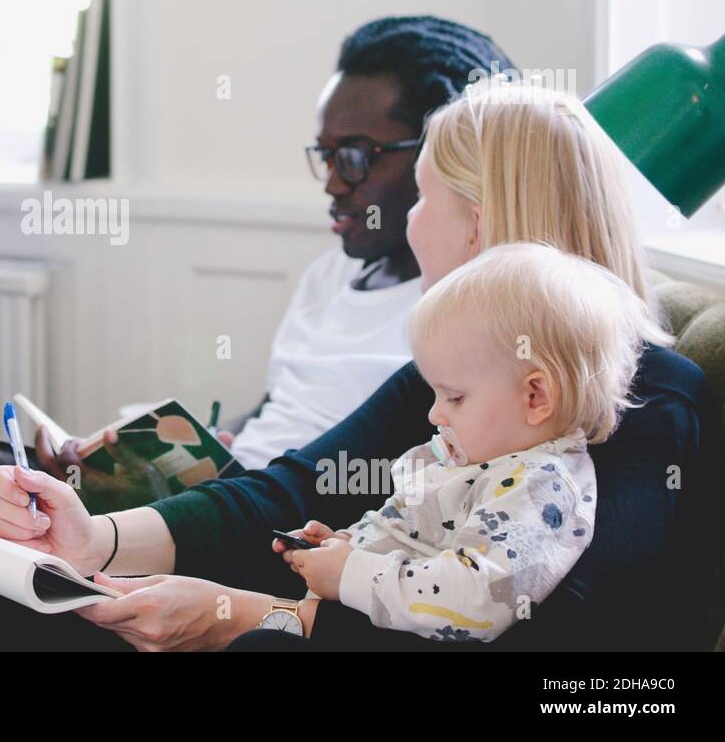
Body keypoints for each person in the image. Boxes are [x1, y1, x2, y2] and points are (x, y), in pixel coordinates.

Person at [0, 81, 715, 651]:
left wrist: (228, 614)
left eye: (423, 201)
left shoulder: (640, 406)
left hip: (287, 625)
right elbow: (296, 488)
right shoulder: (468, 366)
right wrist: (99, 535)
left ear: (483, 228)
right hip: (291, 601)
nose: (407, 227)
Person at [0, 16, 515, 612]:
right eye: (323, 156)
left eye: (354, 157)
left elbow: (320, 490)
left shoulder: (456, 334)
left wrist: (104, 532)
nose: (332, 184)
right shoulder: (334, 274)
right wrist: (156, 449)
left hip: (255, 528)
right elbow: (277, 419)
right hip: (208, 487)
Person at [277, 242, 659, 644]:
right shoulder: (484, 457)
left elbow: (475, 598)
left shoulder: (540, 488)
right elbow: (416, 537)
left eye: (455, 397)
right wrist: (350, 545)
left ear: (536, 397)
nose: (434, 414)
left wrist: (350, 573)